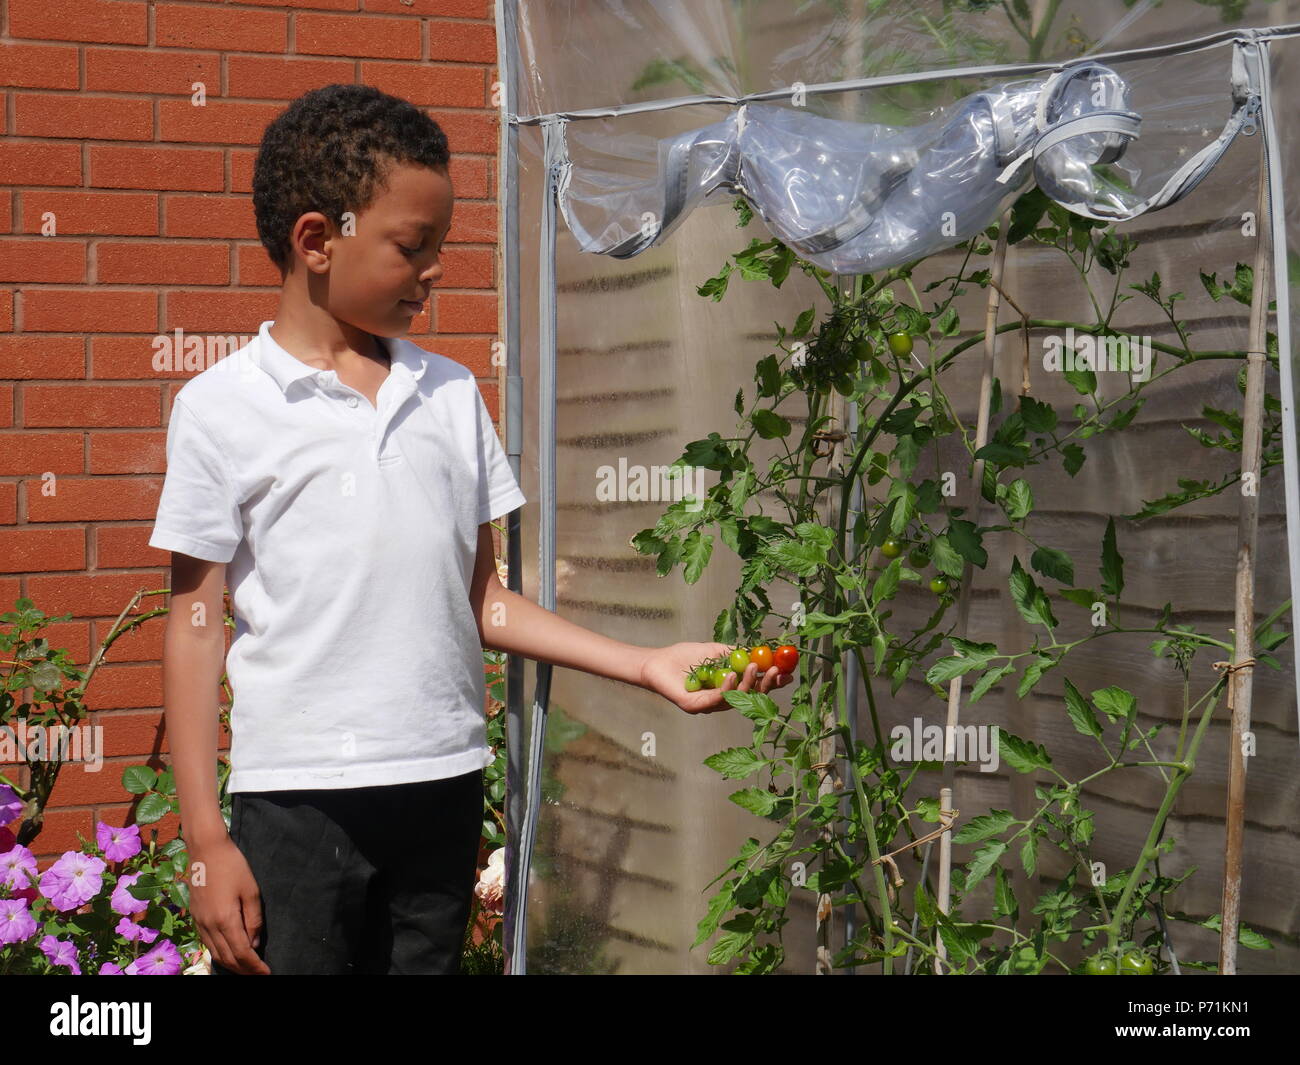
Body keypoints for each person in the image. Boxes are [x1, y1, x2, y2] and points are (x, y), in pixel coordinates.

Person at [149, 83, 792, 976]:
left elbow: (485, 601)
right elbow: (194, 626)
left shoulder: (450, 395)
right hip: (299, 805)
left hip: (442, 790)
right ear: (315, 241)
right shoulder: (220, 409)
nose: (436, 269)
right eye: (413, 247)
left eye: (440, 247)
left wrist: (644, 663)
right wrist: (205, 839)